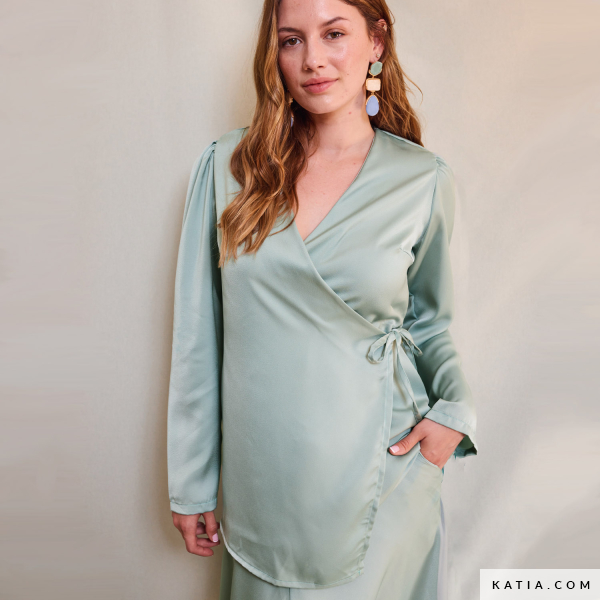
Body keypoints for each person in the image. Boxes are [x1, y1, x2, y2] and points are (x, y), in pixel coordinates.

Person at [167, 0, 478, 598]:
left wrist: (453, 414)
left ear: (376, 42)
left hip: (384, 475)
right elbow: (197, 334)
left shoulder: (422, 179)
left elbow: (432, 324)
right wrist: (192, 482)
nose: (312, 59)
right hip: (262, 486)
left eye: (334, 34)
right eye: (291, 40)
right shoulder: (229, 167)